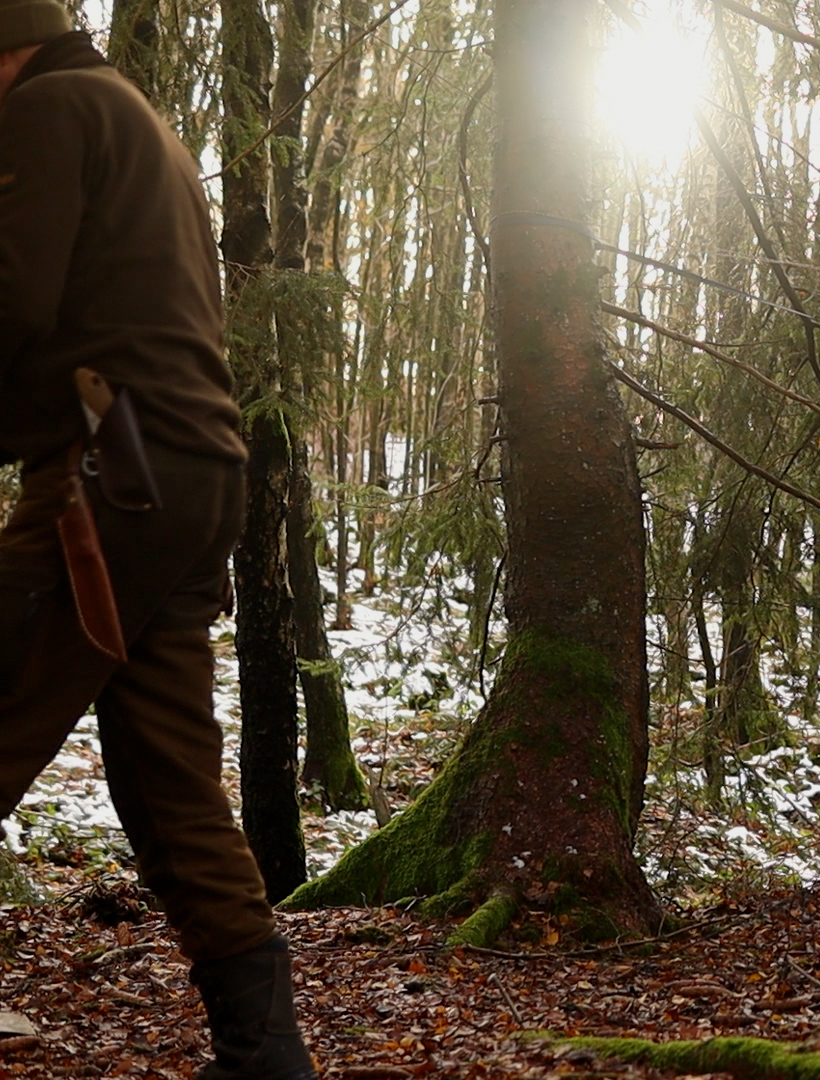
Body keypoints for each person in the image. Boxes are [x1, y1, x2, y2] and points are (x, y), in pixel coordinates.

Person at [0, 8, 318, 1078]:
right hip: (183, 482)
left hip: (109, 478)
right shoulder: (136, 118)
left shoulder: (47, 108)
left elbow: (12, 303)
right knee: (170, 776)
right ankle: (265, 1056)